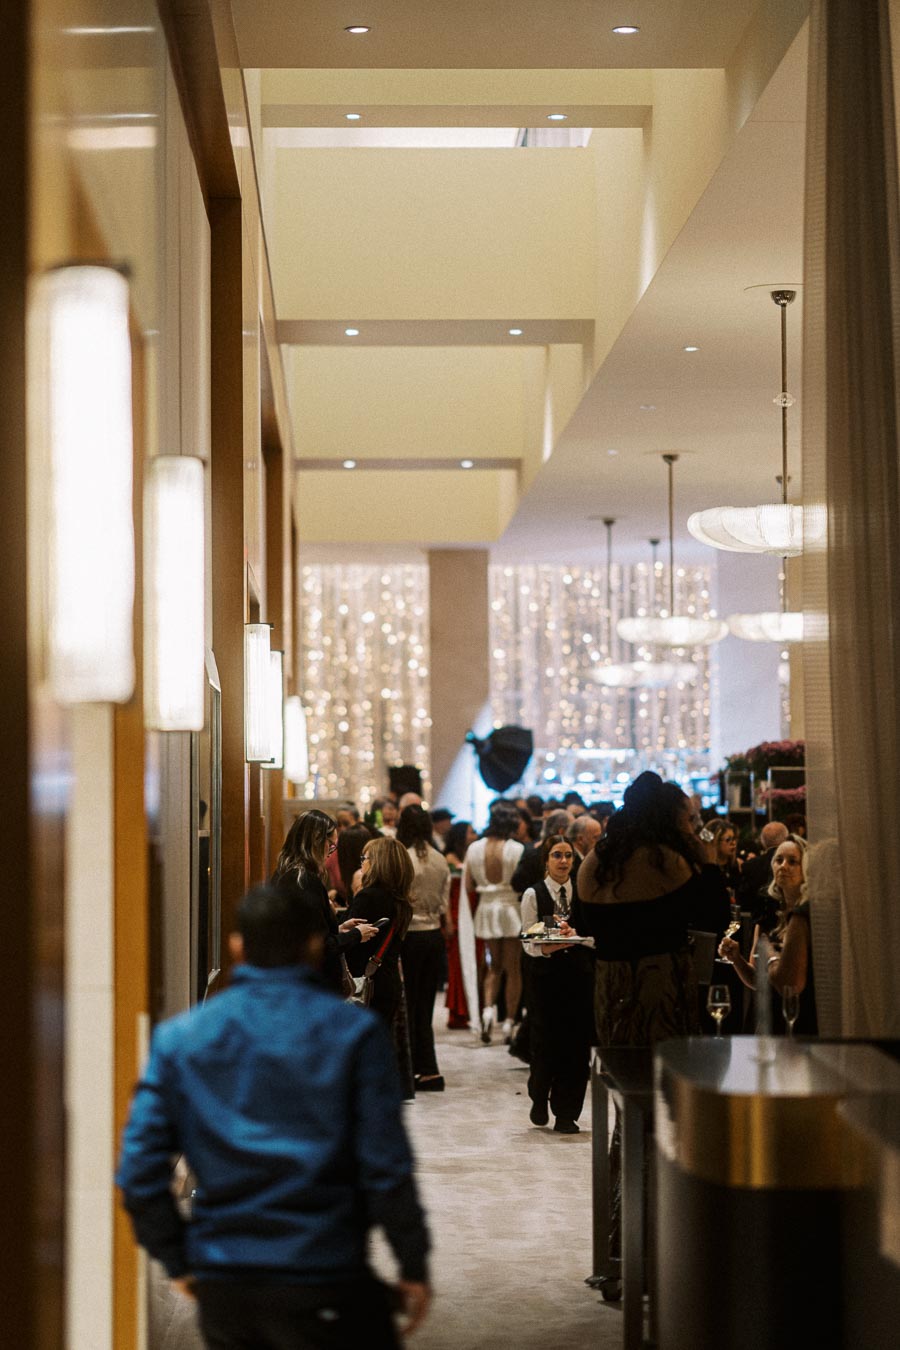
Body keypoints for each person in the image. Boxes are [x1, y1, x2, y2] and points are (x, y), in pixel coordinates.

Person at [116, 884, 431, 1349]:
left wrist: (177, 1258)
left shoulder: (181, 1039)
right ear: (314, 945)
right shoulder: (354, 1034)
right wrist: (412, 1262)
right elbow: (386, 1165)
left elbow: (139, 1171)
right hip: (328, 1271)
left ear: (237, 946)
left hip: (227, 1282)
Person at [520, 835, 594, 1134]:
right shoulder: (533, 894)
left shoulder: (584, 892)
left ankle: (567, 1113)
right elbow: (528, 941)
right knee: (545, 1044)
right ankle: (539, 1095)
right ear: (546, 860)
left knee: (577, 1046)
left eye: (568, 855)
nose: (563, 861)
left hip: (578, 977)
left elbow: (594, 936)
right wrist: (550, 945)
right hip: (545, 978)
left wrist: (576, 937)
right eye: (557, 855)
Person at [718, 834, 817, 1034]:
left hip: (802, 1015)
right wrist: (736, 959)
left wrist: (770, 955)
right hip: (771, 1017)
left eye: (792, 861)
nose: (783, 866)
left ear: (805, 869)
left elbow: (791, 982)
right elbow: (757, 980)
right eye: (779, 860)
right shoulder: (768, 917)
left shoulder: (808, 916)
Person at [271, 810, 378, 993]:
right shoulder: (304, 880)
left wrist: (339, 928)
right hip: (311, 984)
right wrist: (356, 935)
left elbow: (306, 931)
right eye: (331, 845)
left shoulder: (284, 873)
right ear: (317, 841)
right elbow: (319, 946)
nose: (330, 852)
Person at [396, 805, 452, 1091]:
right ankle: (428, 1067)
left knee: (407, 1004)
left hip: (408, 935)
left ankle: (408, 1068)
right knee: (426, 1005)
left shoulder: (402, 858)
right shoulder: (440, 859)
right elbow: (444, 902)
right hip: (433, 935)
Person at [463, 801, 526, 1044]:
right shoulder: (516, 849)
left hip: (486, 908)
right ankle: (509, 1022)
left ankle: (487, 1011)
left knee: (493, 966)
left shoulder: (474, 848)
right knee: (513, 969)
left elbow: (469, 885)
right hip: (510, 908)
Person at [343, 837, 414, 1032]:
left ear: (378, 863)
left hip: (365, 984)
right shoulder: (401, 901)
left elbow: (352, 941)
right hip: (387, 980)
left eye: (364, 858)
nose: (362, 863)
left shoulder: (368, 896)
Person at [442, 822, 479, 1030]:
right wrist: (448, 919)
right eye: (471, 832)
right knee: (457, 966)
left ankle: (471, 1009)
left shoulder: (471, 856)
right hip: (456, 914)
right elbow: (445, 892)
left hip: (473, 913)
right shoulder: (449, 858)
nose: (475, 835)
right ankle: (457, 1012)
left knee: (475, 962)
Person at [736, 820, 788, 918]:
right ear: (786, 839)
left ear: (762, 842)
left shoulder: (749, 866)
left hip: (756, 919)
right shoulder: (794, 864)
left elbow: (743, 901)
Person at [708, 818, 741, 891]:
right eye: (728, 840)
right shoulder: (707, 868)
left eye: (734, 839)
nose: (734, 843)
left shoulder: (736, 865)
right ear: (716, 842)